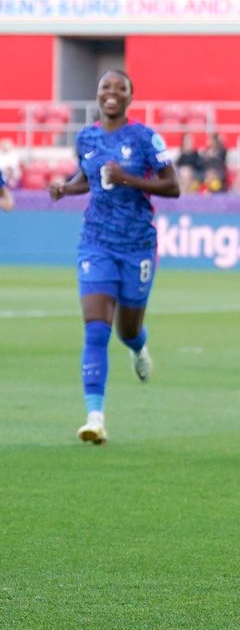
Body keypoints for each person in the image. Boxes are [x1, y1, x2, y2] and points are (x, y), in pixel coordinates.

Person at [47, 69, 180, 444]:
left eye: (119, 88)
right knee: (96, 329)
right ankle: (95, 418)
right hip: (96, 242)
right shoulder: (86, 137)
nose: (111, 93)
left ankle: (139, 348)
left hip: (137, 245)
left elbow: (173, 186)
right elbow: (87, 179)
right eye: (105, 86)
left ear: (129, 97)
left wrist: (130, 179)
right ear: (98, 93)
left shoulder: (143, 138)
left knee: (127, 329)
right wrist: (65, 188)